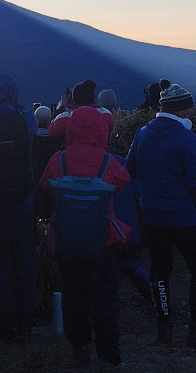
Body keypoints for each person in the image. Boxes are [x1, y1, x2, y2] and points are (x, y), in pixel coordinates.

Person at [40, 105, 131, 366]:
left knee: (73, 295)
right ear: (102, 130)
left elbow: (46, 185)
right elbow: (123, 180)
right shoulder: (108, 162)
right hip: (104, 240)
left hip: (66, 239)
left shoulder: (58, 160)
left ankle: (80, 348)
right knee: (105, 297)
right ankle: (108, 354)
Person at [125, 82, 196, 347]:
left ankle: (164, 328)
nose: (193, 113)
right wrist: (194, 206)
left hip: (152, 215)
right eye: (190, 108)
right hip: (183, 215)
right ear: (181, 110)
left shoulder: (143, 133)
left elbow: (130, 168)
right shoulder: (187, 138)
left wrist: (146, 196)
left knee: (160, 270)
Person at [0, 71, 38, 343]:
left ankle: (6, 327)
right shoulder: (27, 119)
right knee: (26, 263)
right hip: (24, 200)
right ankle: (28, 323)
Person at [50, 79, 116, 139]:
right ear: (93, 97)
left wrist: (60, 109)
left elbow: (51, 131)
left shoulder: (64, 119)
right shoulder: (106, 115)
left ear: (74, 98)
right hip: (101, 151)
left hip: (74, 151)